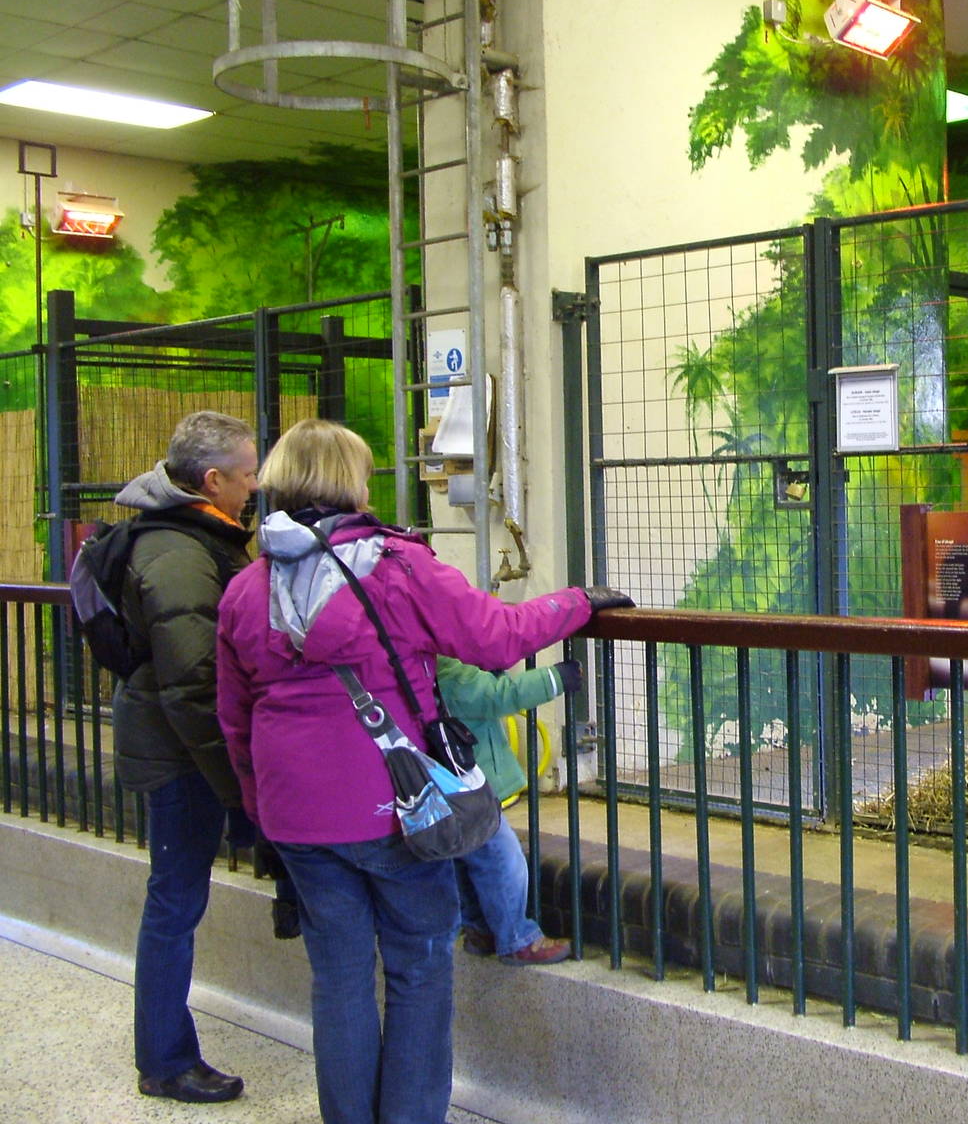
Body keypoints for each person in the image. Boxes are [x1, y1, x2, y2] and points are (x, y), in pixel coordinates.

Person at [215, 418, 632, 1124]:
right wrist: (578, 602)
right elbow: (497, 638)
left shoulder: (247, 590)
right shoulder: (399, 567)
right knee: (417, 968)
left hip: (299, 821)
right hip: (398, 810)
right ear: (353, 484)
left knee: (339, 982)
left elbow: (234, 720)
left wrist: (266, 812)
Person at [115, 410, 258, 1105]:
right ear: (211, 479)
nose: (254, 486)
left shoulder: (196, 536)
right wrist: (234, 784)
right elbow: (193, 684)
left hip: (179, 748)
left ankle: (164, 1050)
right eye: (248, 474)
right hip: (181, 758)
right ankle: (167, 1061)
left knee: (173, 899)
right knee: (173, 903)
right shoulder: (178, 552)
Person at [437, 655, 582, 964]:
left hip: (443, 783)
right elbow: (498, 695)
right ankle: (517, 938)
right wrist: (554, 679)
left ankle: (480, 930)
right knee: (502, 858)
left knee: (462, 860)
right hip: (468, 786)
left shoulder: (426, 663)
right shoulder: (448, 670)